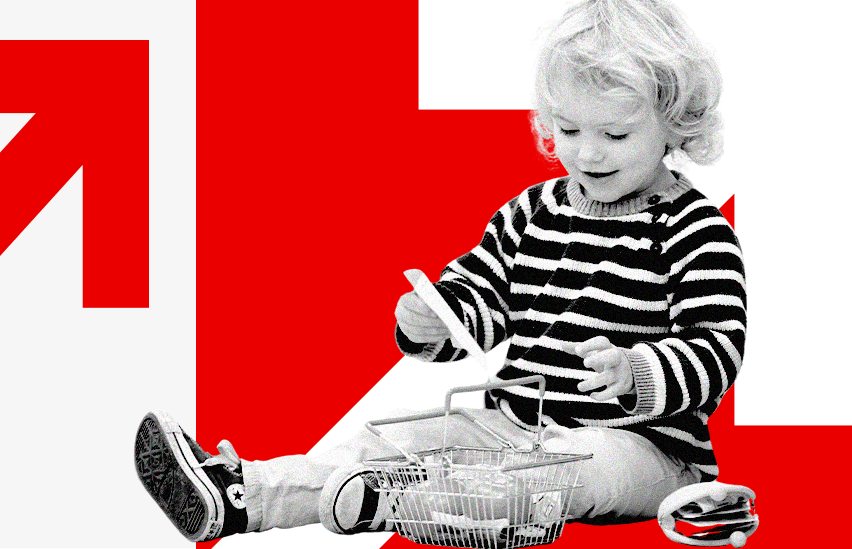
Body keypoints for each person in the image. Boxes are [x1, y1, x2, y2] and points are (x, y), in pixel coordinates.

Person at [134, 0, 745, 541]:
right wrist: (436, 319)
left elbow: (719, 348)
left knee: (575, 466)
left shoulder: (694, 230)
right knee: (388, 442)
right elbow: (481, 297)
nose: (587, 152)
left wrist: (640, 370)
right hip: (515, 428)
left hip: (643, 451)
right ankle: (242, 495)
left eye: (615, 133)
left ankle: (403, 499)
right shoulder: (529, 212)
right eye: (567, 130)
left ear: (676, 121)